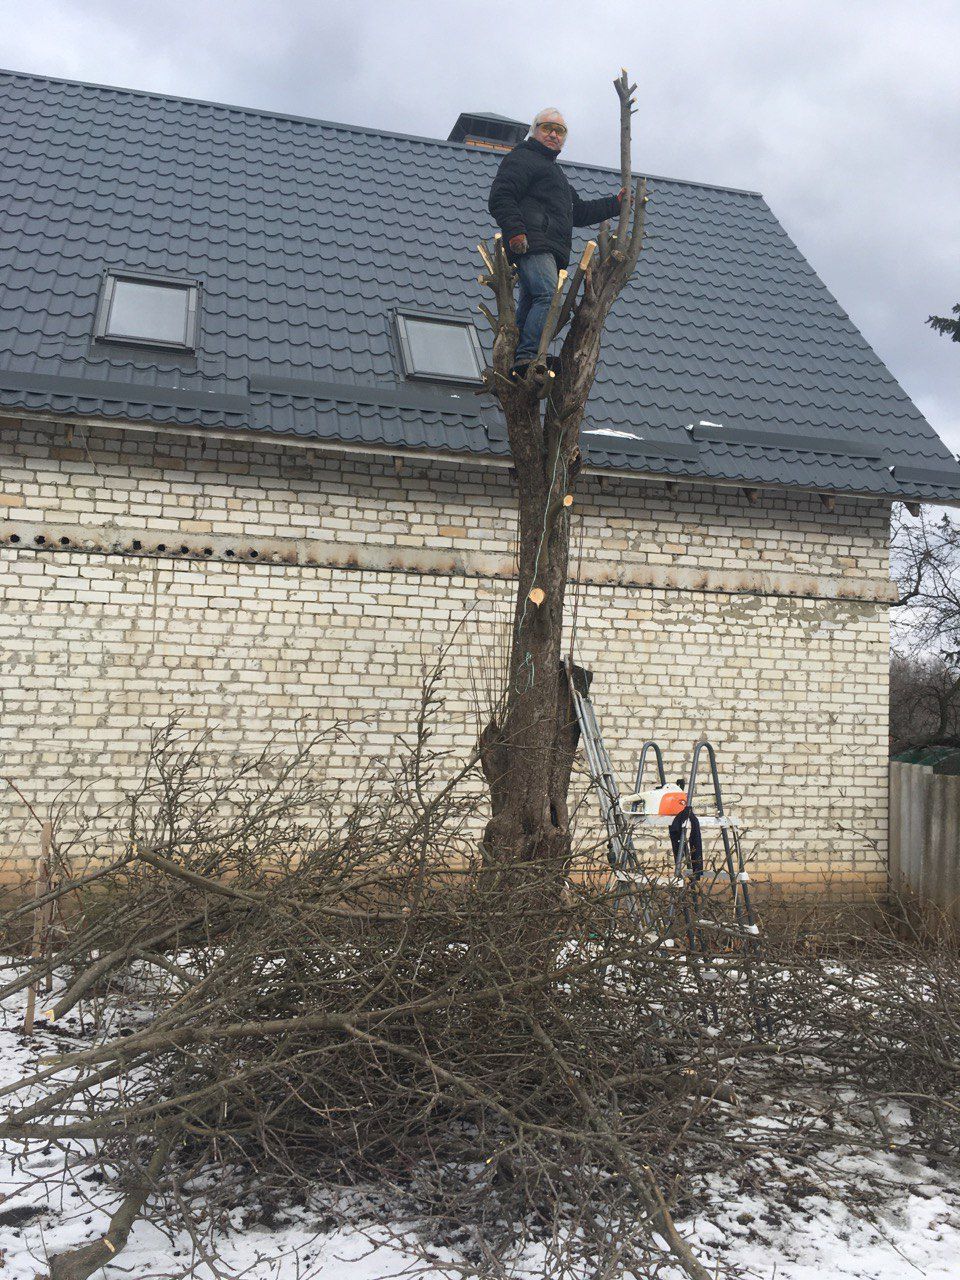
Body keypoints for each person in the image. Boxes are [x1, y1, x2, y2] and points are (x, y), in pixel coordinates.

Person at [487, 108, 624, 379]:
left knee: (531, 302)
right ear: (534, 130)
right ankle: (528, 356)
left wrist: (616, 204)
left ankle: (519, 359)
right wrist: (516, 233)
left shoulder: (553, 172)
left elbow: (580, 212)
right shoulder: (523, 158)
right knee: (548, 296)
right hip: (533, 243)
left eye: (559, 131)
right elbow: (501, 196)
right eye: (547, 128)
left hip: (548, 247)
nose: (553, 134)